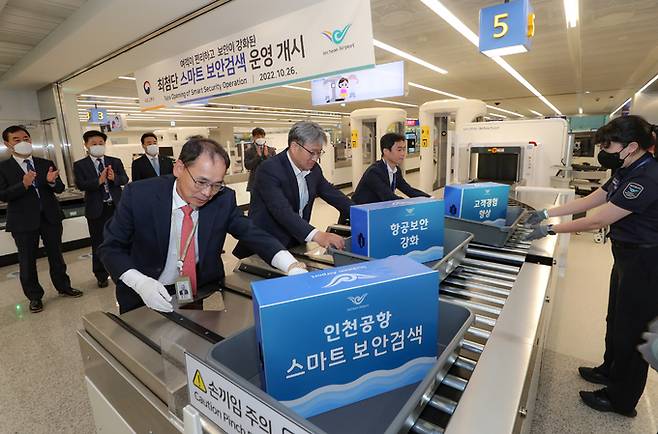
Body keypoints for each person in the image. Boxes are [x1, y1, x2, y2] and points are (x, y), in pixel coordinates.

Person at [524, 115, 658, 417]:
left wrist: (551, 229)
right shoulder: (626, 168)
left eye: (608, 144)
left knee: (634, 331)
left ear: (631, 146)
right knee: (616, 318)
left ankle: (622, 400)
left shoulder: (647, 177)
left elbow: (600, 218)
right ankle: (609, 370)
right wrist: (548, 211)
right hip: (625, 256)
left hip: (646, 262)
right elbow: (595, 199)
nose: (603, 149)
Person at [100, 137, 306, 314]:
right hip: (143, 291)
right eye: (201, 182)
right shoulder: (140, 195)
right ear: (179, 168)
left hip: (191, 289)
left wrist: (290, 265)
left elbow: (252, 233)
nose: (207, 193)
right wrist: (139, 282)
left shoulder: (222, 199)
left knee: (190, 343)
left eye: (216, 184)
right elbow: (111, 248)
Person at [233, 121, 352, 258]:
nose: (316, 158)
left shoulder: (314, 170)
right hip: (263, 248)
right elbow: (282, 210)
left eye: (319, 153)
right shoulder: (269, 169)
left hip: (294, 244)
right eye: (312, 152)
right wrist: (318, 236)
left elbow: (333, 194)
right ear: (295, 146)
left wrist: (363, 212)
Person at [0, 125, 82, 313]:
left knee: (57, 255)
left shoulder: (45, 163)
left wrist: (52, 181)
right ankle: (35, 297)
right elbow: (3, 195)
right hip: (22, 221)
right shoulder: (3, 168)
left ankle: (64, 287)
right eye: (17, 140)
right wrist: (23, 185)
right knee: (27, 260)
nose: (23, 142)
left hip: (50, 217)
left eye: (26, 138)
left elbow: (59, 187)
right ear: (7, 144)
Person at [73, 130, 129, 288]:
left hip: (117, 207)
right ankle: (101, 274)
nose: (98, 146)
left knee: (122, 239)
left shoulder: (115, 161)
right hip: (96, 209)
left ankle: (124, 270)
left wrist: (114, 178)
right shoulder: (80, 165)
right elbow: (81, 184)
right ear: (86, 145)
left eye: (101, 143)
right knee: (98, 242)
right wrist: (99, 181)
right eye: (94, 144)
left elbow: (125, 179)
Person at [352, 132, 430, 204]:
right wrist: (408, 204)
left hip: (377, 211)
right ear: (386, 151)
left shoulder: (396, 170)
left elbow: (409, 190)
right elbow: (388, 197)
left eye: (404, 149)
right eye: (399, 150)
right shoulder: (374, 172)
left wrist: (429, 198)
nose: (403, 153)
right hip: (359, 214)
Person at [244, 127, 276, 191]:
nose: (260, 138)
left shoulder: (271, 150)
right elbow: (247, 166)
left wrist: (267, 156)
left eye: (262, 136)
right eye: (257, 136)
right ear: (253, 138)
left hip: (269, 183)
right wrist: (257, 156)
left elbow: (275, 165)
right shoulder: (248, 151)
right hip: (254, 184)